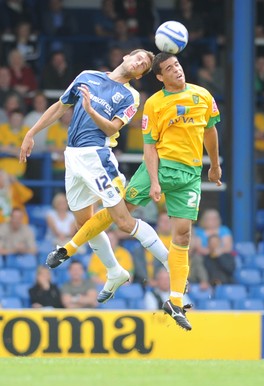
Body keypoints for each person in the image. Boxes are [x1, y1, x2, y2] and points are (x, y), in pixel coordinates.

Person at [42, 52, 222, 330]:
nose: (176, 69)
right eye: (168, 67)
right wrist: (32, 134)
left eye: (177, 64)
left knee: (175, 233)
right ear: (159, 77)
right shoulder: (148, 100)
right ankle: (111, 268)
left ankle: (174, 298)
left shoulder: (197, 96)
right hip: (146, 166)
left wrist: (215, 165)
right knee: (100, 219)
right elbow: (149, 144)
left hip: (184, 172)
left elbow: (210, 131)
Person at [20, 49, 171, 308]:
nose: (138, 63)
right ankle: (114, 272)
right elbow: (60, 106)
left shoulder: (130, 96)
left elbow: (112, 128)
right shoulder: (87, 76)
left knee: (123, 222)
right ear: (126, 57)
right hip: (73, 157)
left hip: (97, 157)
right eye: (137, 58)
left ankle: (171, 263)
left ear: (139, 75)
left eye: (143, 65)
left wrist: (89, 110)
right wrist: (31, 132)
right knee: (85, 224)